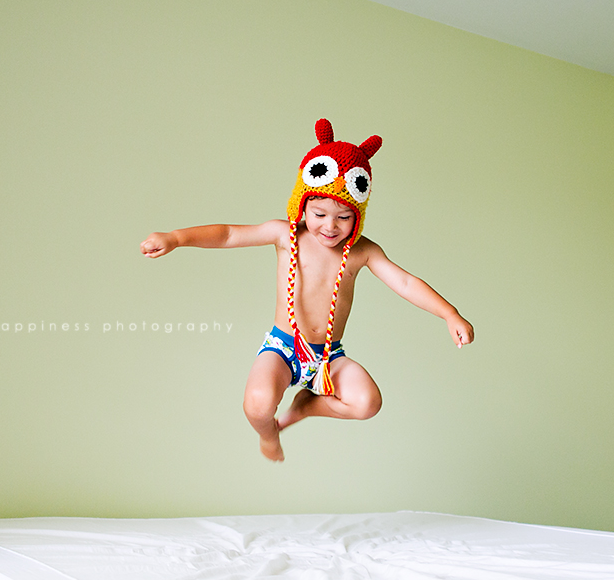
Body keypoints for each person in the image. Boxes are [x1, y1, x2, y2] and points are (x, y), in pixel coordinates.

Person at [141, 119, 473, 462]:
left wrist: (449, 314)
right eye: (319, 213)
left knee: (367, 403)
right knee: (257, 406)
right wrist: (176, 238)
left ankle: (305, 407)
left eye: (343, 217)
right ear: (302, 205)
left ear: (357, 216)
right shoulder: (286, 235)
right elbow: (228, 234)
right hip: (283, 348)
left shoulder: (362, 251)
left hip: (329, 357)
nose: (330, 226)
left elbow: (405, 282)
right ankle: (270, 433)